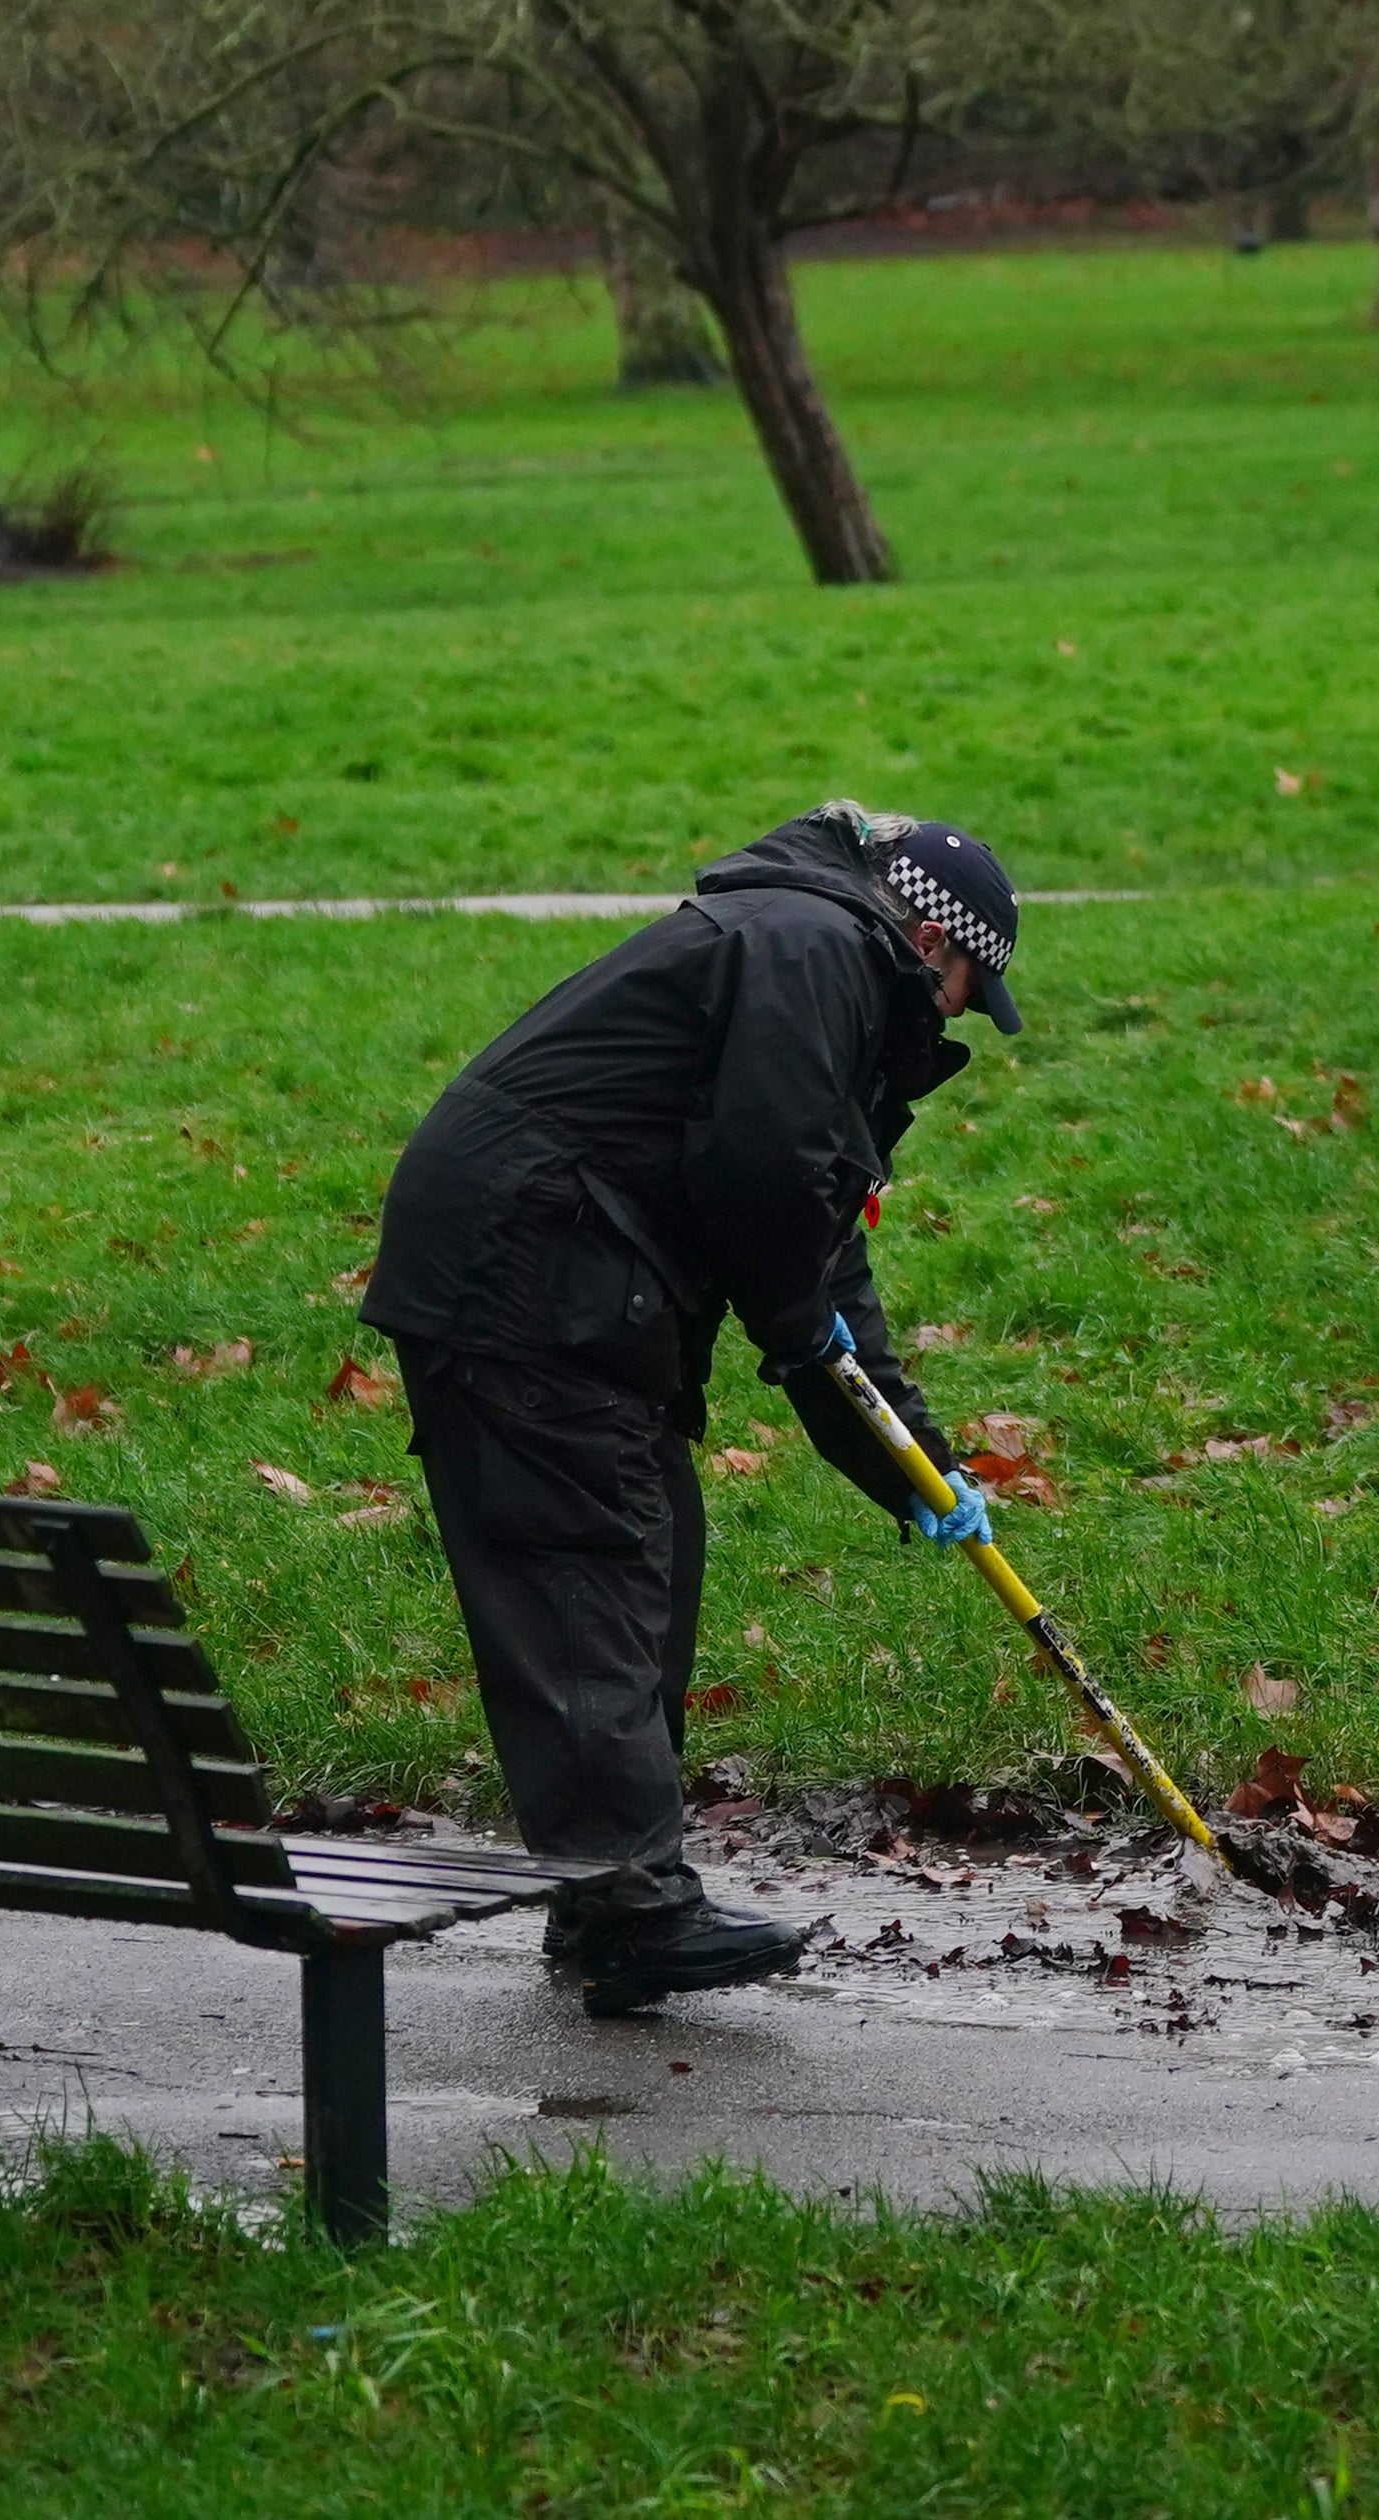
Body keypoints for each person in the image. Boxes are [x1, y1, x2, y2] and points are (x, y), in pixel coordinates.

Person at [351, 801, 1016, 2014]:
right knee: (586, 1568)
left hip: (572, 1274)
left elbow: (817, 1240)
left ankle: (606, 1900)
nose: (961, 1014)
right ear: (931, 939)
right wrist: (787, 1314)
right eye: (971, 984)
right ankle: (630, 1909)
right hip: (529, 1269)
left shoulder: (816, 961)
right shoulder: (812, 950)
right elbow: (761, 1177)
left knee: (648, 1550)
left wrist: (916, 1465)